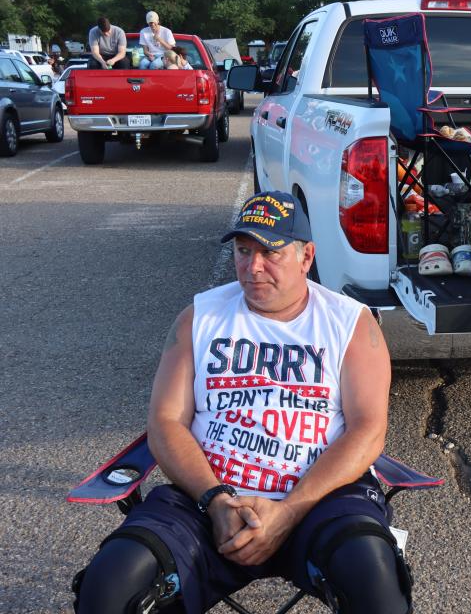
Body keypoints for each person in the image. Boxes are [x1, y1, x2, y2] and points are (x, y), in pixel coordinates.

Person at [73, 191, 412, 614]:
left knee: (375, 582)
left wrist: (289, 511)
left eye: (270, 252)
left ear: (307, 256)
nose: (252, 267)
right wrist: (215, 502)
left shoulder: (350, 323)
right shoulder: (200, 317)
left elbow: (367, 430)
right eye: (243, 250)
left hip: (321, 500)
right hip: (204, 501)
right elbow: (166, 421)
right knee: (108, 586)